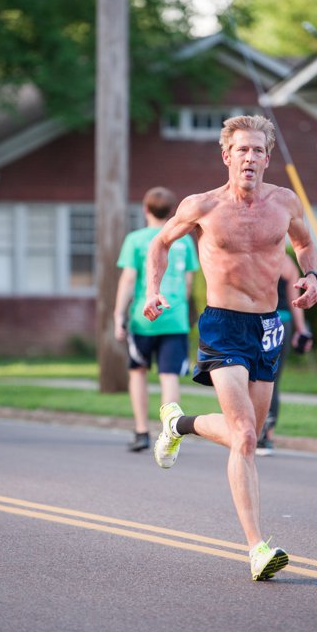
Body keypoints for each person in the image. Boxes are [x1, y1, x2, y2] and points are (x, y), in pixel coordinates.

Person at [142, 114, 317, 582]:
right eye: (242, 149)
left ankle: (177, 423)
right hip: (222, 325)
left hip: (268, 326)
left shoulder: (285, 203)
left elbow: (304, 243)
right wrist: (152, 291)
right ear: (227, 155)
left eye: (258, 150)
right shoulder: (202, 206)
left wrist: (311, 276)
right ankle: (257, 548)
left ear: (268, 158)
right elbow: (159, 244)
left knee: (250, 436)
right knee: (242, 434)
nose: (250, 157)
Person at [113, 187, 199, 452]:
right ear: (171, 211)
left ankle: (141, 432)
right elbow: (188, 283)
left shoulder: (135, 240)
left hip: (144, 317)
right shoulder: (184, 241)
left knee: (138, 372)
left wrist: (118, 315)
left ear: (145, 210)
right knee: (169, 376)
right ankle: (168, 433)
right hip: (175, 317)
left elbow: (129, 280)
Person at [256, 252, 314, 456]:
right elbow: (294, 300)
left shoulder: (253, 254)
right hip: (282, 322)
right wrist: (301, 330)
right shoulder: (287, 262)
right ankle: (266, 435)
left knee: (249, 377)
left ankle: (252, 431)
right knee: (271, 379)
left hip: (256, 319)